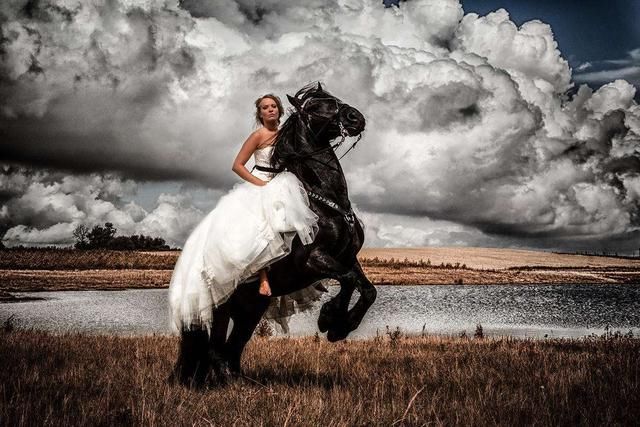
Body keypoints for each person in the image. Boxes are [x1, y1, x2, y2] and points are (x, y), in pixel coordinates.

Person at [168, 93, 320, 332]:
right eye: (264, 108)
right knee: (260, 227)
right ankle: (262, 278)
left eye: (273, 106)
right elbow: (237, 165)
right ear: (259, 114)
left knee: (298, 223)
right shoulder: (258, 135)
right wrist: (261, 185)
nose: (269, 110)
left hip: (285, 181)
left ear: (279, 111)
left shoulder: (288, 135)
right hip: (261, 182)